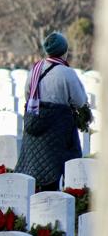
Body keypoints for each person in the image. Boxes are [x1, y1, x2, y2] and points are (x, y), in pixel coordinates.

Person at [15, 31, 88, 191]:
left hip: (34, 129)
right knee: (53, 181)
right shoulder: (66, 73)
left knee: (34, 181)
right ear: (64, 51)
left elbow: (27, 95)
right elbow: (80, 101)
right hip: (58, 131)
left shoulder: (35, 69)